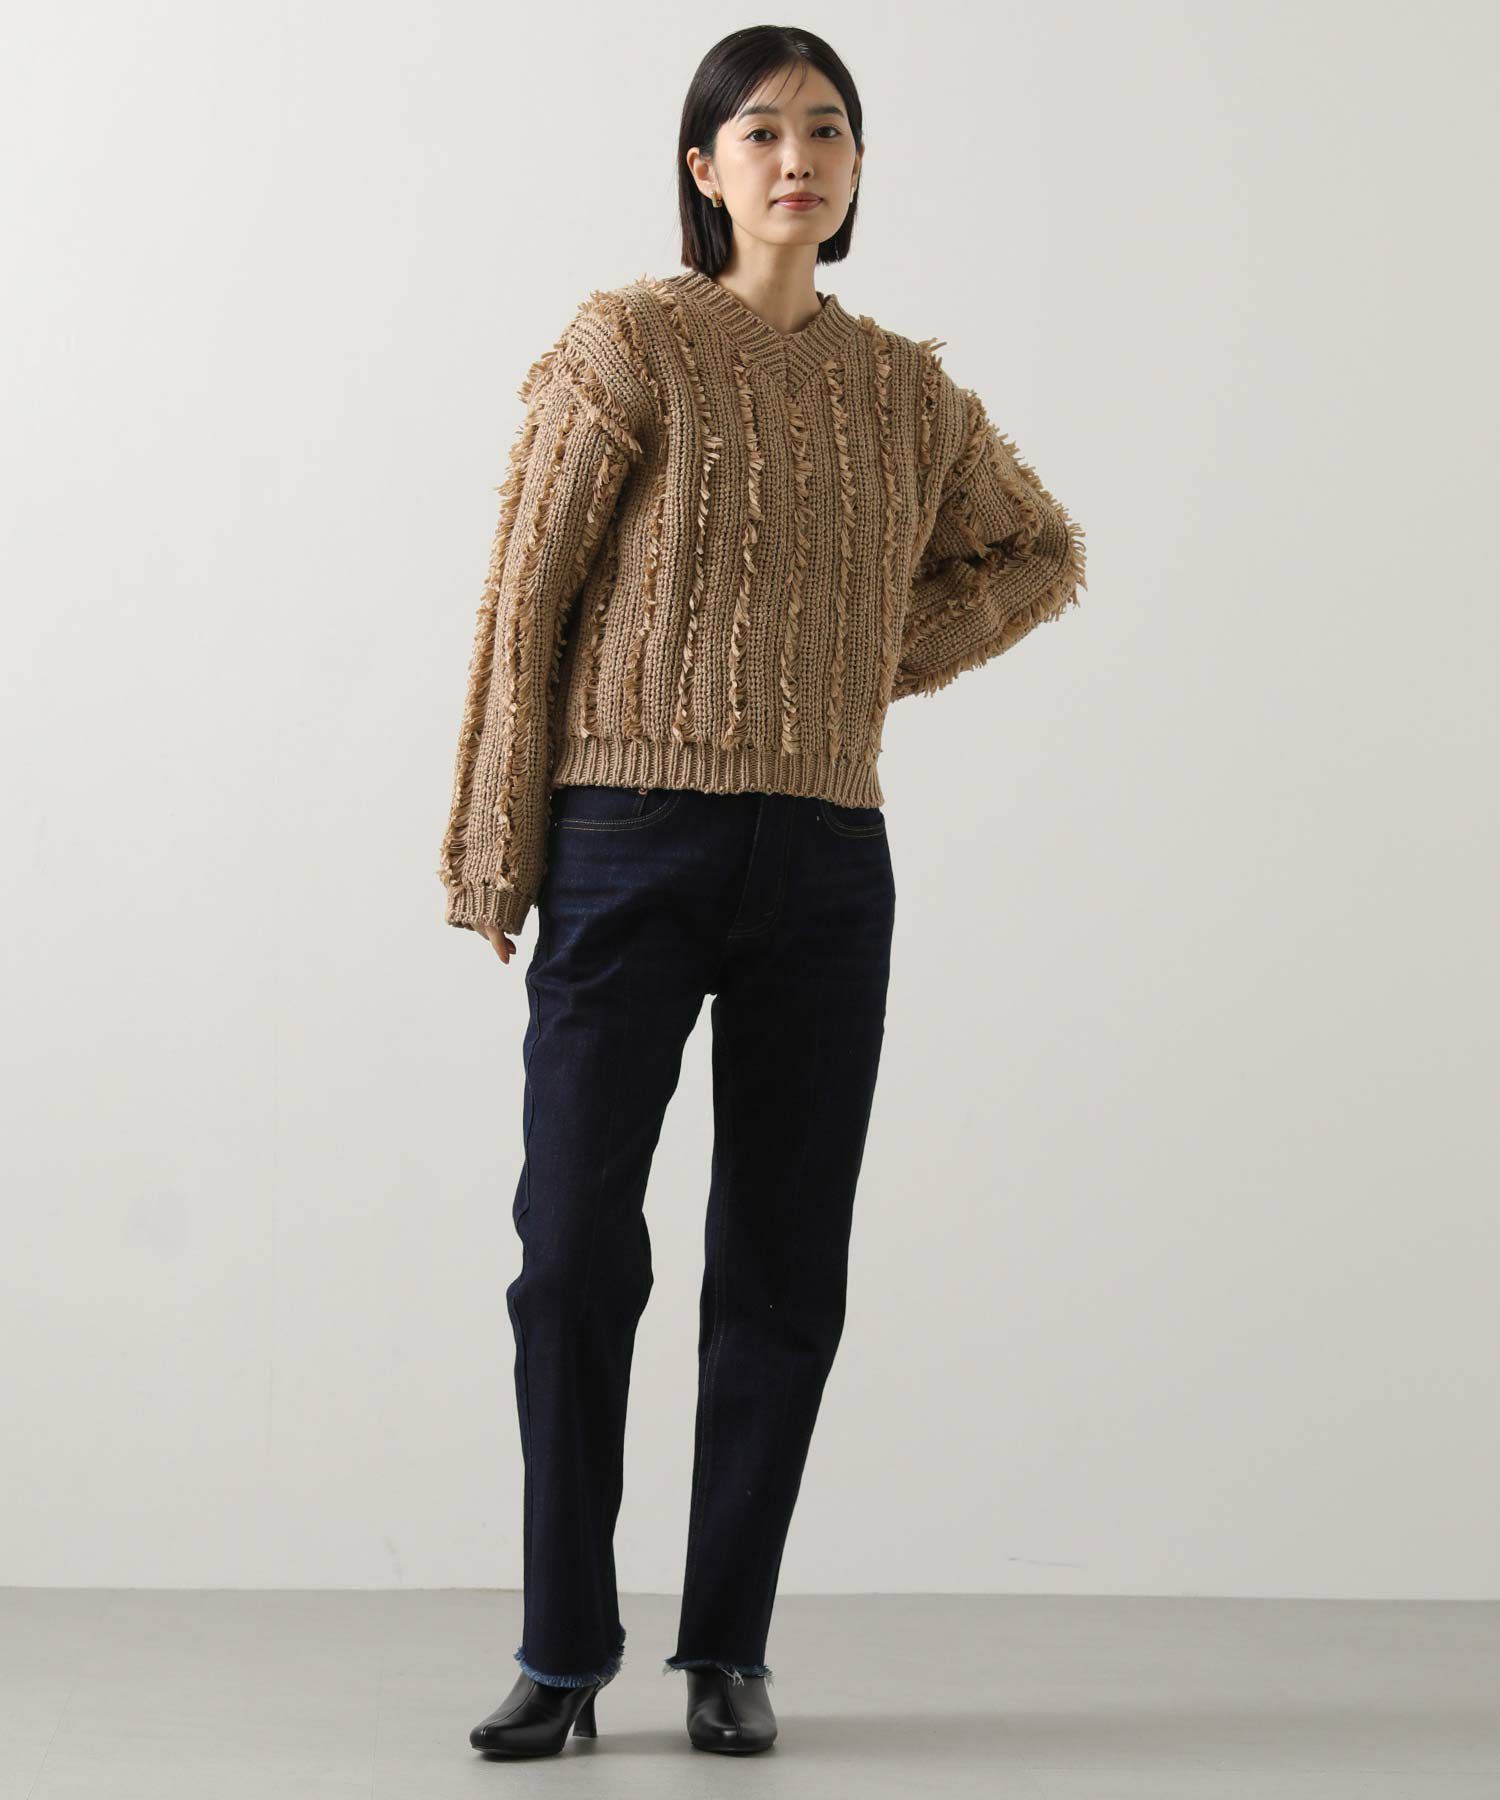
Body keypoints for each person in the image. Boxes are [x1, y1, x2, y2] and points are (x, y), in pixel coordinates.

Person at [440, 23, 1087, 1761]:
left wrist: (859, 663)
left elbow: (1038, 553)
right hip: (624, 841)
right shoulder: (629, 345)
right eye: (760, 131)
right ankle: (563, 1650)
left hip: (824, 860)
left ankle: (729, 1645)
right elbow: (526, 599)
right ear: (703, 168)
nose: (796, 157)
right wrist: (495, 839)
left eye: (828, 130)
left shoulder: (907, 396)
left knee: (784, 1269)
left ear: (857, 169)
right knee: (574, 1256)